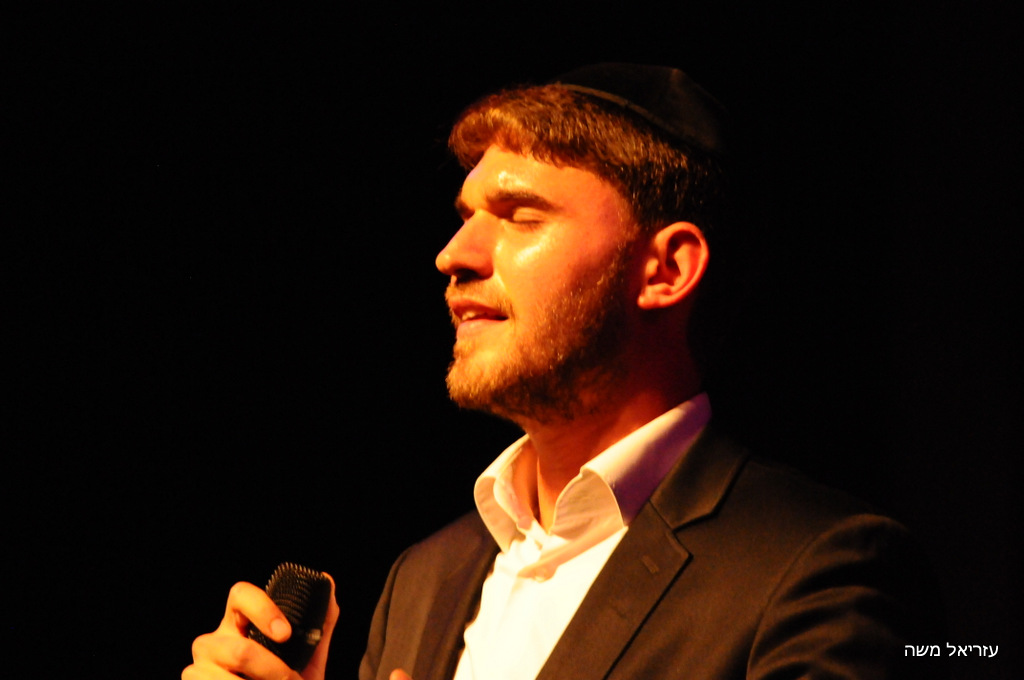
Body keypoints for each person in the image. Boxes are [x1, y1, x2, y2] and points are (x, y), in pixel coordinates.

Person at [184, 63, 944, 680]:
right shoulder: (423, 579)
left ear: (666, 269)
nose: (454, 256)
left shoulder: (818, 568)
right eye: (465, 217)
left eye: (520, 216)